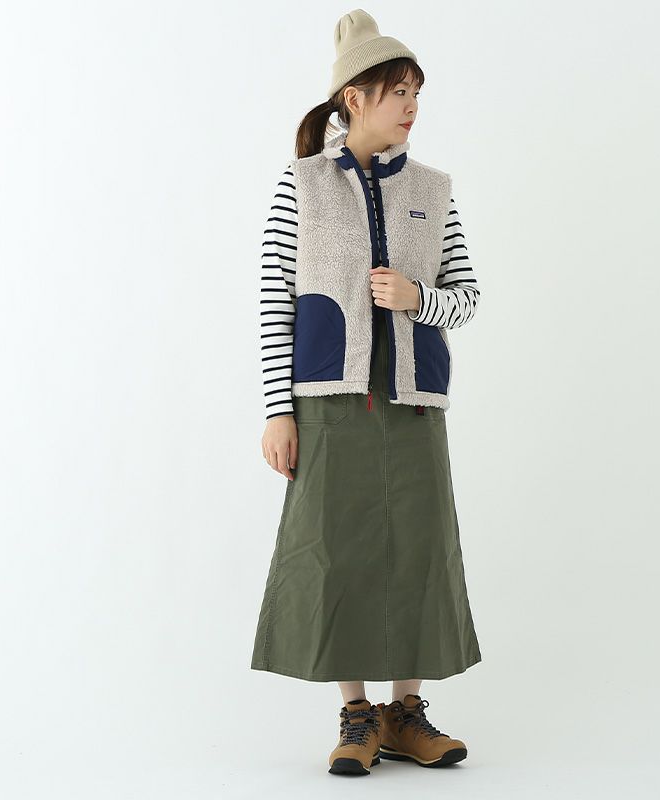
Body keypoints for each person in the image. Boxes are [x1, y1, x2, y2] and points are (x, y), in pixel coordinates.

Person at [252, 8, 483, 776]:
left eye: (417, 92)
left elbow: (467, 298)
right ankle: (357, 715)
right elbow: (275, 302)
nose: (412, 106)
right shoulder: (302, 185)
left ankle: (405, 711)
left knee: (418, 550)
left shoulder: (434, 190)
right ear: (354, 97)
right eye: (397, 92)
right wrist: (278, 411)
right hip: (328, 399)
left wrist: (417, 297)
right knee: (338, 551)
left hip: (414, 402)